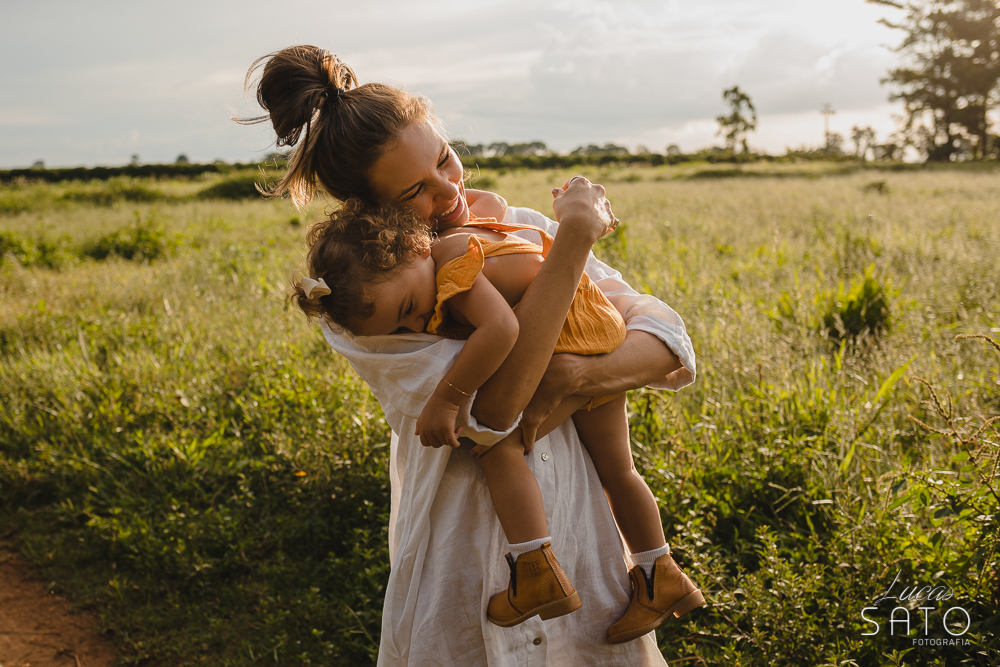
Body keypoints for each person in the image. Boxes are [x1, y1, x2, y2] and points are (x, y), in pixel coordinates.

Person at [242, 45, 699, 665]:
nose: (451, 188)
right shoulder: (368, 308)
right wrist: (573, 245)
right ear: (371, 210)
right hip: (467, 555)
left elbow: (668, 342)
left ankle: (654, 570)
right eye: (416, 192)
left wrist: (575, 372)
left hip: (579, 532)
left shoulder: (521, 224)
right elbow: (493, 416)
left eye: (445, 158)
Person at [289, 202, 705, 636]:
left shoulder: (452, 261)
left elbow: (501, 329)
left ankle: (536, 571)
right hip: (594, 327)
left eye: (410, 307)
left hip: (572, 338)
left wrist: (448, 399)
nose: (417, 323)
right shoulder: (455, 248)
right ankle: (661, 574)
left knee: (495, 446)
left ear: (411, 249)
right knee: (618, 469)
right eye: (401, 330)